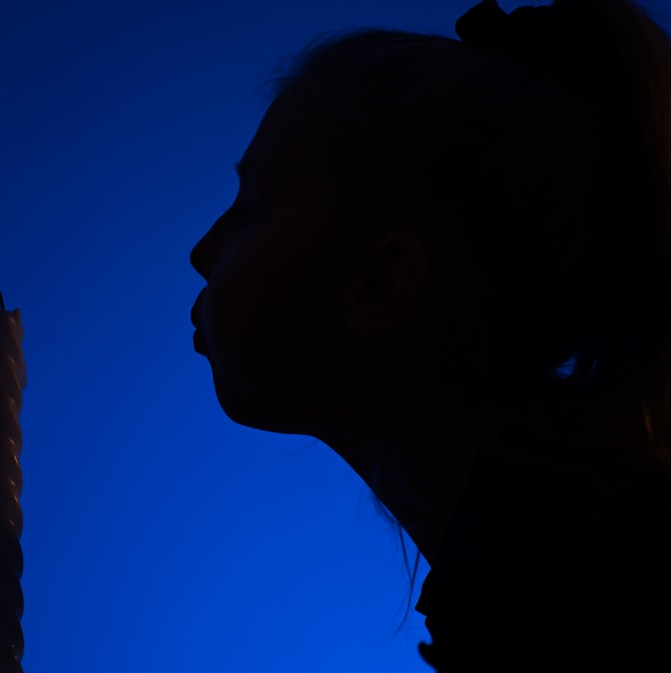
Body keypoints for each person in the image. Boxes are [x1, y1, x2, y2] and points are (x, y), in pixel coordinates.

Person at [188, 0, 671, 669]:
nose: (202, 250)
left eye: (250, 208)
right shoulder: (552, 569)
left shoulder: (577, 607)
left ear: (379, 284)